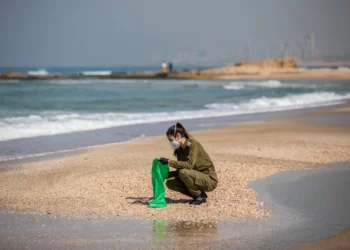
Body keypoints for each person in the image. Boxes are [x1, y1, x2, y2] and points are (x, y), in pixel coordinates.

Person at [159, 122, 218, 205]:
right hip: (196, 176)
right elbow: (180, 170)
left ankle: (199, 196)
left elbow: (189, 165)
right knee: (170, 183)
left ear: (178, 136)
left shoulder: (192, 144)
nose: (171, 143)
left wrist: (169, 162)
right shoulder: (179, 150)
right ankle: (199, 194)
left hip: (209, 179)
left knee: (183, 172)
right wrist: (165, 175)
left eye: (171, 140)